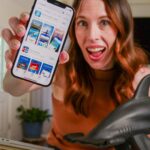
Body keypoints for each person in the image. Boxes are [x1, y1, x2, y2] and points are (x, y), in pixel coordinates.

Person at [1, 0, 150, 149]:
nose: (92, 36)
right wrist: (20, 66)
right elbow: (11, 88)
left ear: (122, 27)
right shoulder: (62, 68)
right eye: (82, 23)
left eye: (104, 22)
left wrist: (141, 104)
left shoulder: (142, 77)